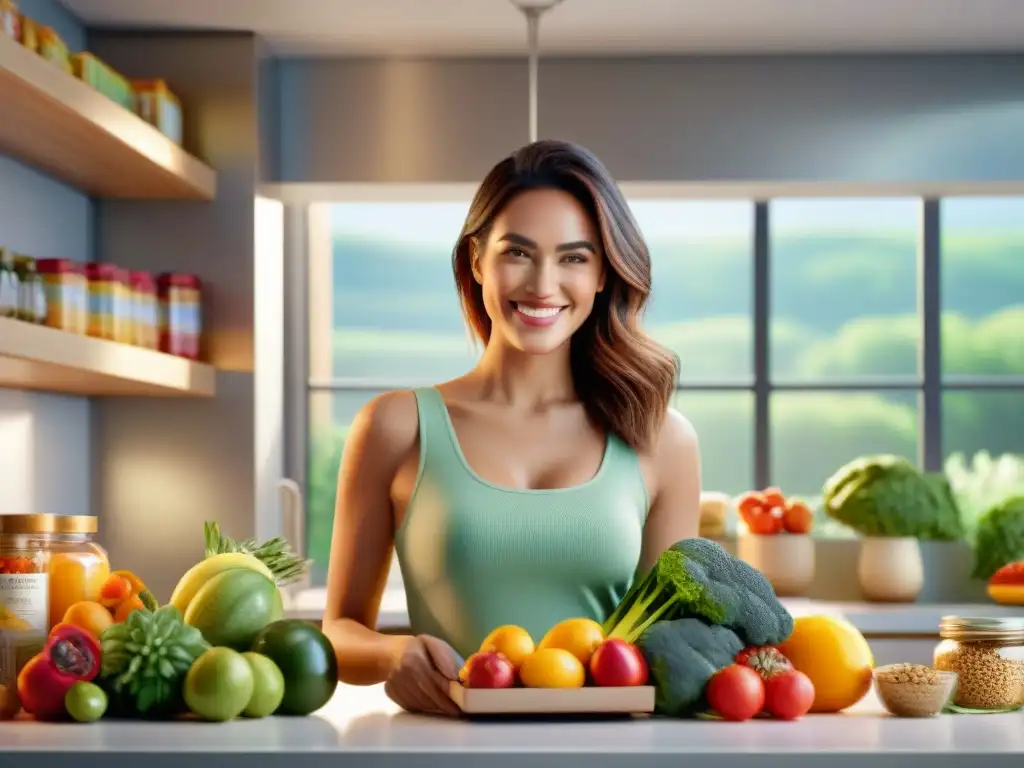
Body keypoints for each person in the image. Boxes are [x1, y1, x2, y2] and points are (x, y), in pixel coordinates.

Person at [321, 139, 702, 717]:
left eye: (574, 257)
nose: (543, 284)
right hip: (446, 754)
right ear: (477, 261)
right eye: (518, 253)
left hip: (609, 757)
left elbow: (668, 648)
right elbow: (340, 631)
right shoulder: (396, 426)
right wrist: (391, 654)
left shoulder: (660, 438)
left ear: (603, 274)